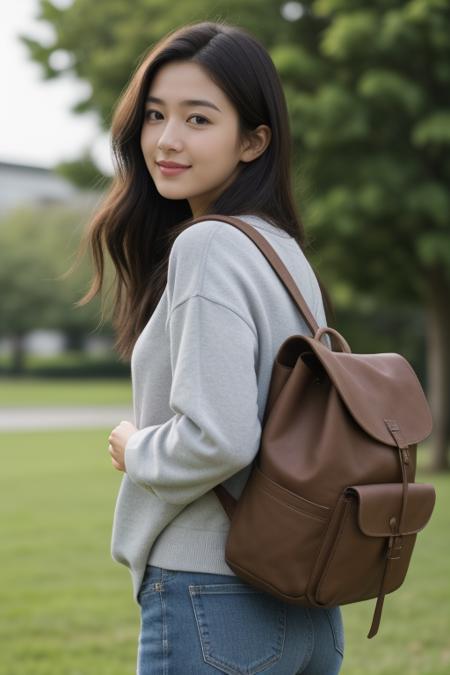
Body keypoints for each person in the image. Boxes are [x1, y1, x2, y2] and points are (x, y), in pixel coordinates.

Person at [77, 19, 344, 675]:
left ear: (253, 140)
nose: (166, 140)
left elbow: (220, 439)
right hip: (306, 602)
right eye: (155, 115)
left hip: (213, 595)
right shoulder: (283, 252)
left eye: (198, 120)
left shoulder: (207, 245)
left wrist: (135, 446)